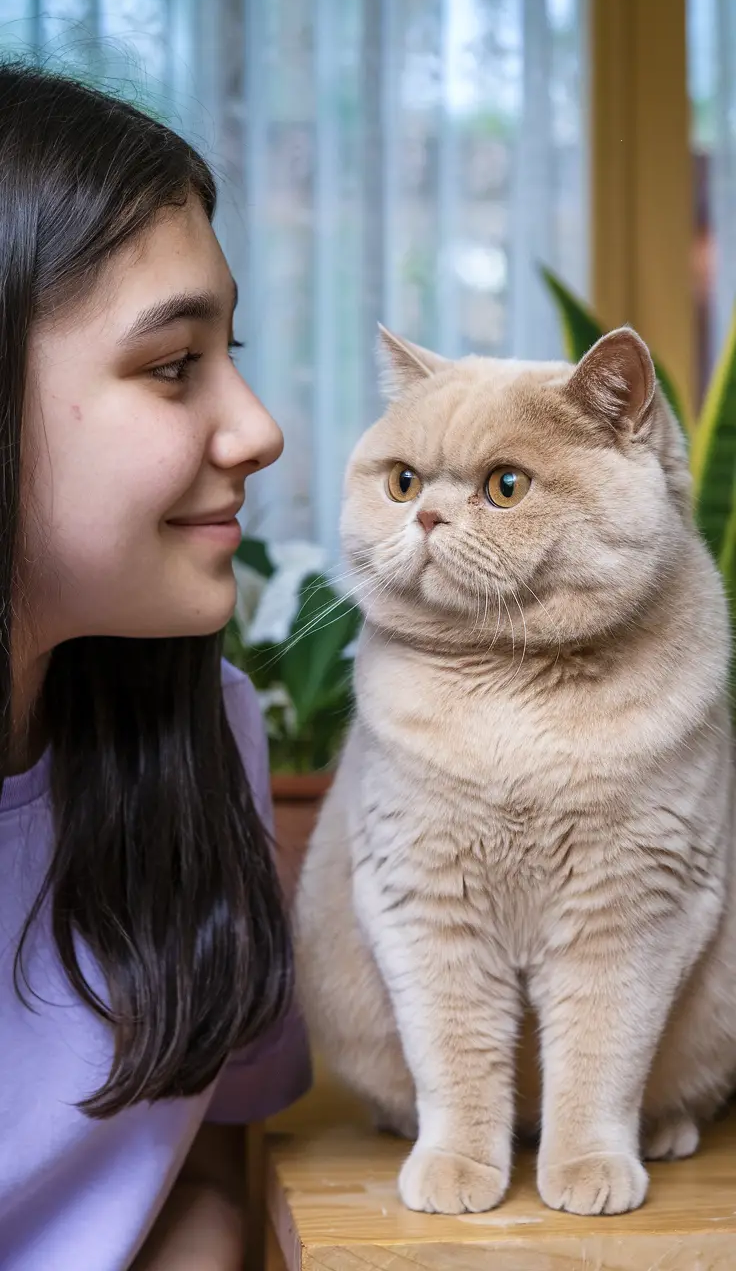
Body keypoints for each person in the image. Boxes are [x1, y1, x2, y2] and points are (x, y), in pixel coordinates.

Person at [0, 63, 311, 1270]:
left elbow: (213, 1156)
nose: (259, 427)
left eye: (230, 350)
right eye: (174, 363)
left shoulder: (201, 730)